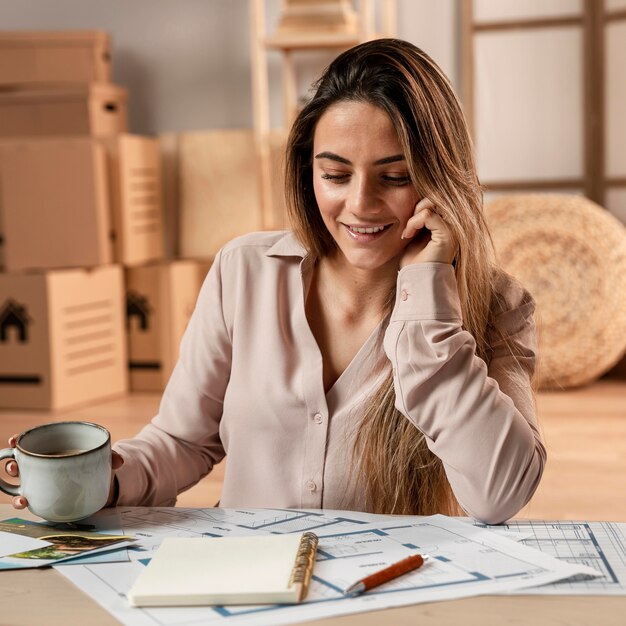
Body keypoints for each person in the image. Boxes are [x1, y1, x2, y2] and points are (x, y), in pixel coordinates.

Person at [7, 38, 545, 524]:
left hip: (389, 591)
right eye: (334, 175)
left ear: (439, 178)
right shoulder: (244, 271)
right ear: (306, 170)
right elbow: (181, 440)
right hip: (252, 584)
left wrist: (430, 297)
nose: (359, 204)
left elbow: (500, 493)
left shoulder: (499, 305)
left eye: (396, 176)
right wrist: (103, 479)